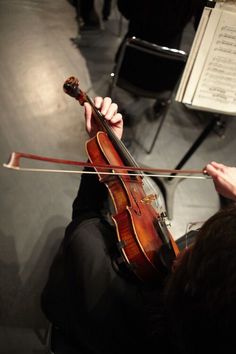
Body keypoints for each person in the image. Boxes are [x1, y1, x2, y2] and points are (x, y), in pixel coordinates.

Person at [41, 96, 236, 354]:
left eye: (197, 245)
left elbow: (86, 215)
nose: (188, 243)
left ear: (192, 282)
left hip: (78, 324)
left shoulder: (96, 268)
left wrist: (108, 152)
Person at [115, 0, 206, 123]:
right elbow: (202, 24)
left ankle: (136, 94)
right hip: (164, 74)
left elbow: (125, 9)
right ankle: (160, 102)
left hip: (128, 65)